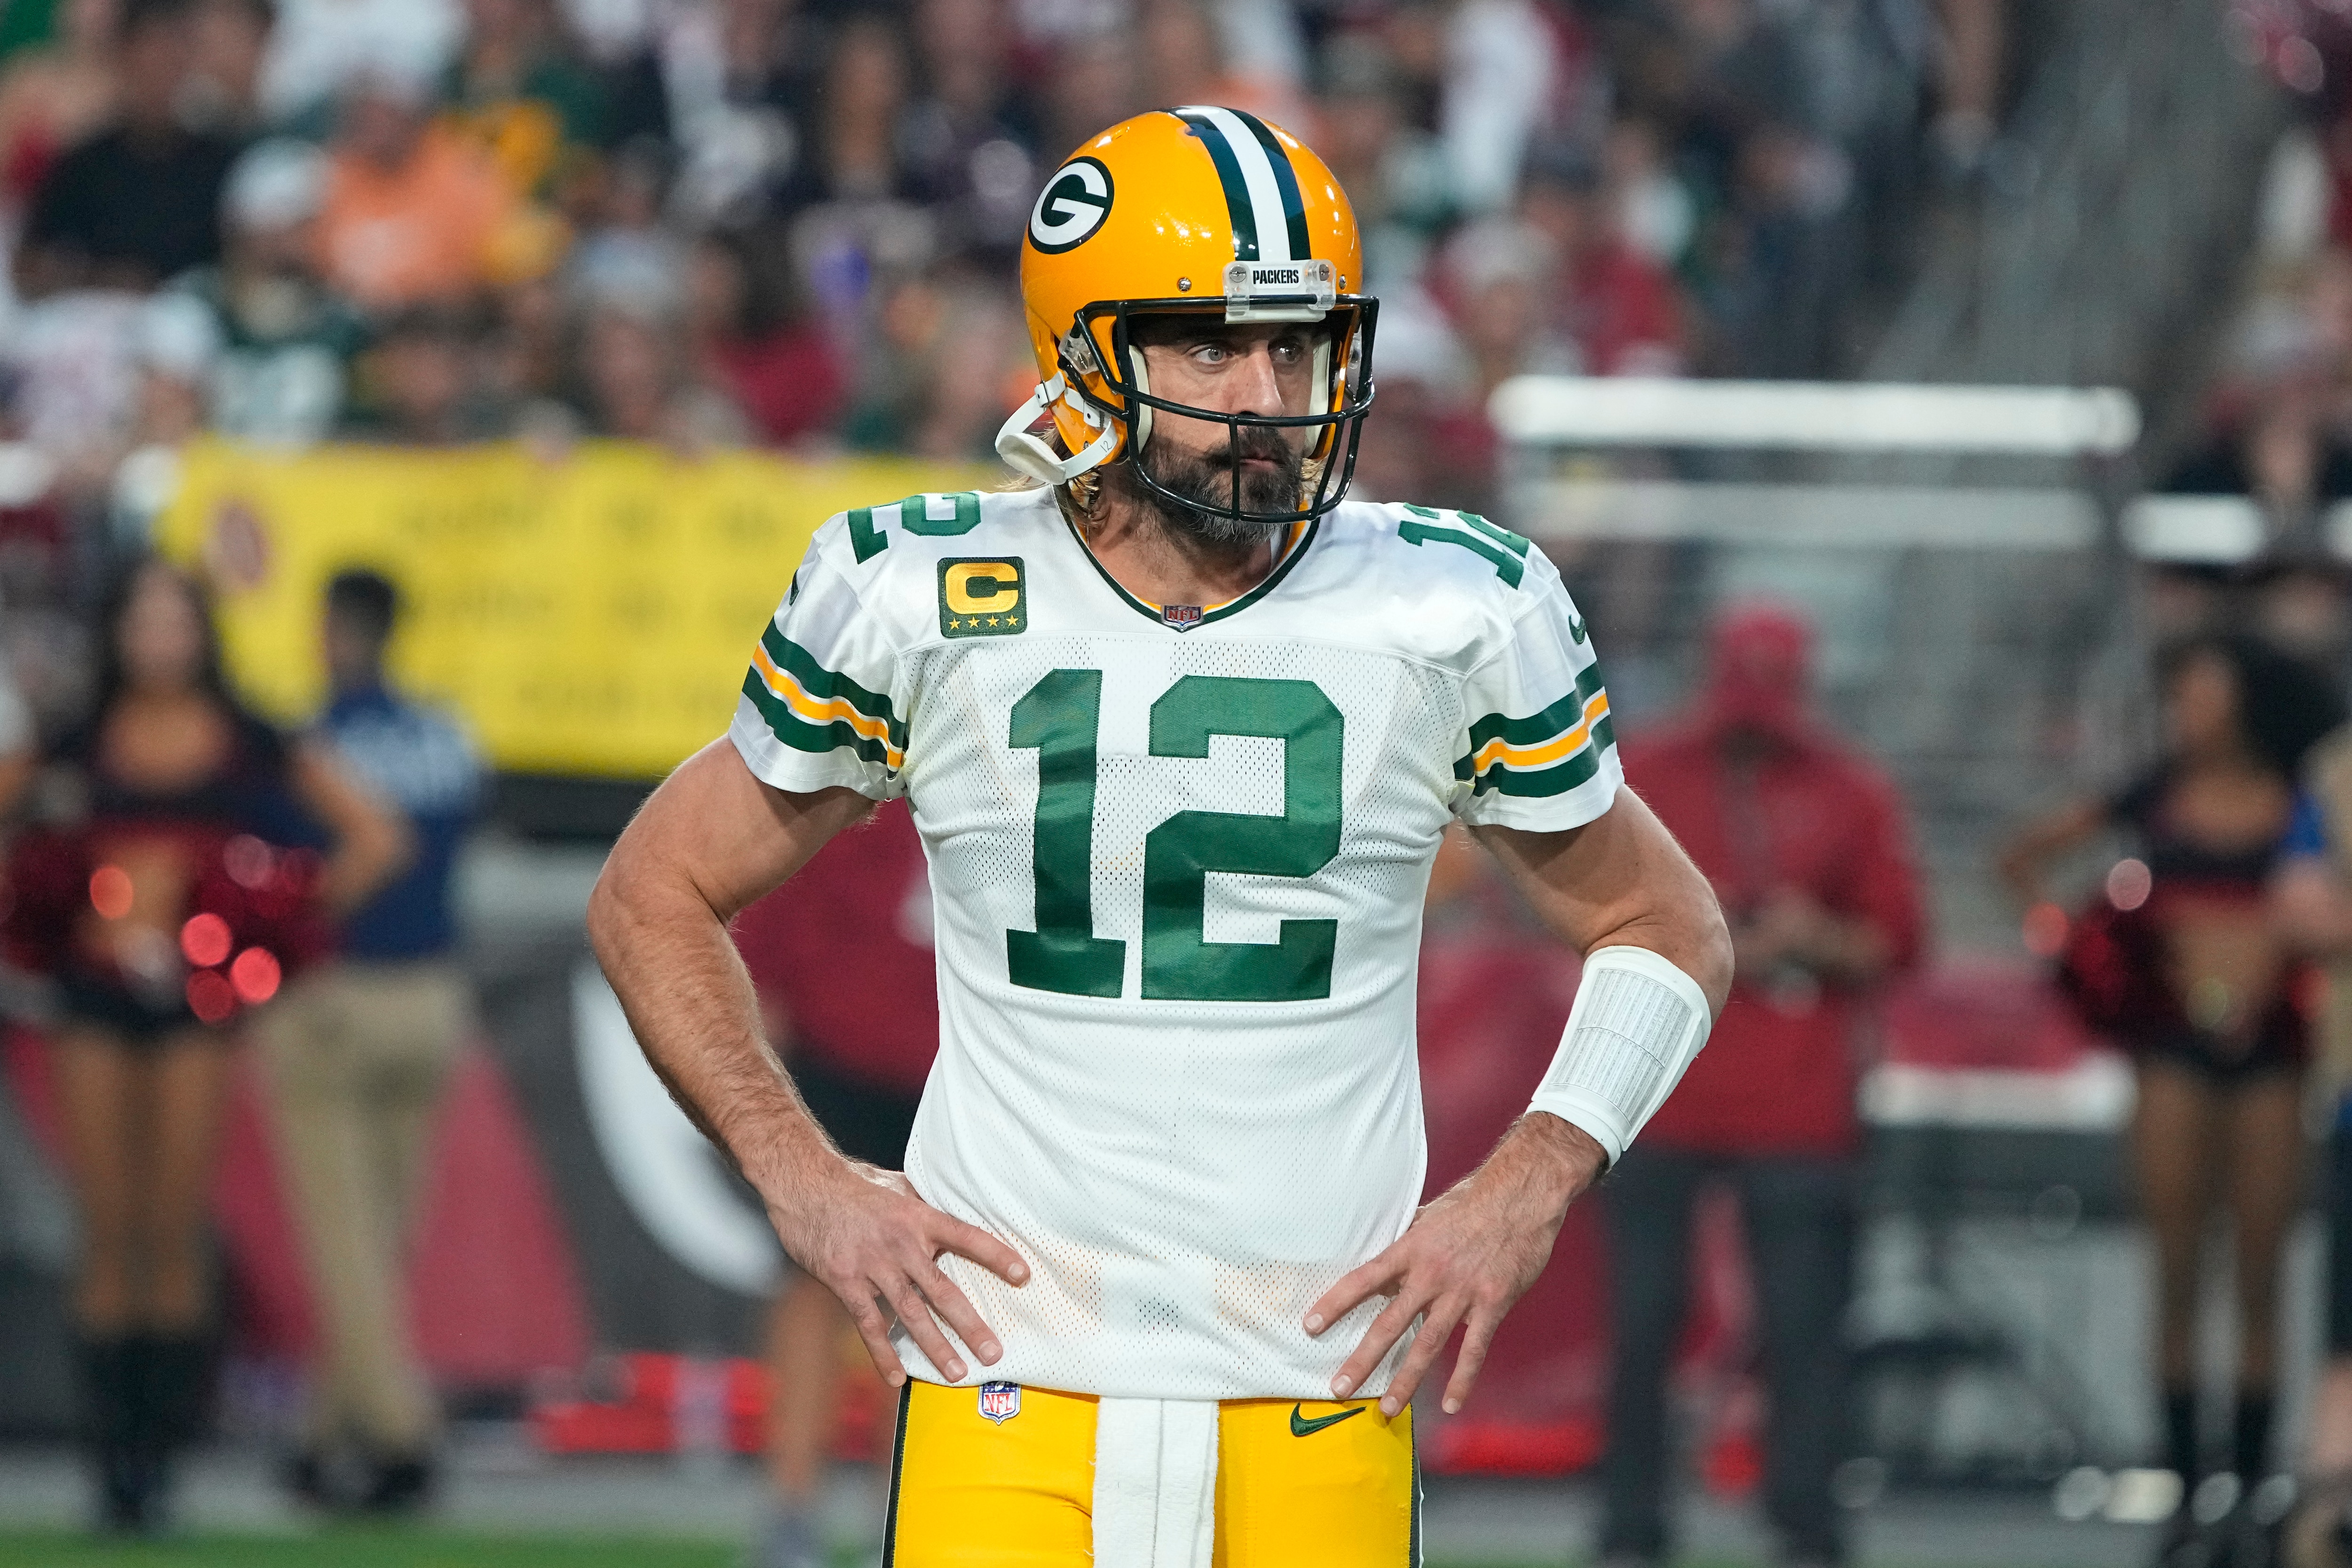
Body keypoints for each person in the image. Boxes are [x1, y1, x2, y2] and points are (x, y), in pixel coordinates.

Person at [588, 106, 1732, 1566]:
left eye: (1299, 345)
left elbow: (1668, 924)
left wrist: (1522, 1187)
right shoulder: (924, 588)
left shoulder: (1451, 604)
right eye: (1210, 345)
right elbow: (652, 892)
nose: (1270, 392)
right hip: (1007, 1368)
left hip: (1319, 1375)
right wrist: (799, 1175)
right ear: (1086, 358)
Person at [1, 559, 407, 1533]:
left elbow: (374, 836)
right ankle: (114, 1461)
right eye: (140, 621)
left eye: (174, 621)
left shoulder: (250, 739)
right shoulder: (74, 740)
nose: (157, 640)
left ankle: (161, 1458)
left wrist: (276, 925)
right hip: (92, 997)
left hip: (198, 1001)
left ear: (201, 633)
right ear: (116, 635)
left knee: (175, 1221)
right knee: (110, 1221)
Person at [2000, 634, 2344, 1562]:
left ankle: (2247, 1490)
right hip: (2171, 1055)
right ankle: (2188, 1495)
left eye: (2202, 693)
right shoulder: (2151, 797)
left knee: (2263, 1279)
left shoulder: (2297, 793)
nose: (2186, 711)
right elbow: (2025, 859)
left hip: (2272, 1053)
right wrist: (2084, 954)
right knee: (2179, 1275)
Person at [1599, 604, 1925, 1568]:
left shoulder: (1847, 790)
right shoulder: (1650, 770)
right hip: (1662, 1084)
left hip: (1788, 1098)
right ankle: (1630, 1526)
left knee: (1802, 1331)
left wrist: (1807, 938)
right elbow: (1576, 906)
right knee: (1644, 1321)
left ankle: (1803, 1524)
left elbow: (1897, 941)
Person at [254, 568, 480, 1515]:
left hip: (335, 992)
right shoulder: (448, 734)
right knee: (378, 1244)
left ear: (338, 632)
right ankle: (323, 1433)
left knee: (344, 1243)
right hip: (430, 994)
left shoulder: (310, 744)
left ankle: (399, 1432)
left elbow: (276, 862)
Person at [731, 800, 939, 1568]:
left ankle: (901, 1510)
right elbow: (769, 934)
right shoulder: (852, 791)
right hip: (843, 1067)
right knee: (819, 1290)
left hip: (952, 1083)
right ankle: (794, 1509)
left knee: (923, 1304)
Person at [15, 0, 243, 301]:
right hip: (92, 318)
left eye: (171, 57)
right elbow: (31, 264)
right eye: (147, 56)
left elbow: (239, 268)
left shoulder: (222, 161)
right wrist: (97, 279)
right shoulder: (84, 163)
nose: (159, 72)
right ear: (122, 59)